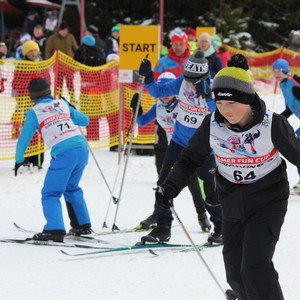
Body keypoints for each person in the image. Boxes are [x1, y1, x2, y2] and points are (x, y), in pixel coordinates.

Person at [152, 54, 300, 299]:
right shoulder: (212, 124)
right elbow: (189, 159)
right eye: (220, 103)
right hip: (232, 199)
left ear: (248, 100)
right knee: (234, 270)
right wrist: (169, 187)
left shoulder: (271, 124)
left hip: (268, 200)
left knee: (254, 265)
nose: (225, 110)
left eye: (232, 104)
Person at [138, 50, 223, 243]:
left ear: (204, 76)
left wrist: (208, 97)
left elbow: (222, 114)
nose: (191, 83)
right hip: (178, 142)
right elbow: (158, 92)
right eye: (189, 78)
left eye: (195, 80)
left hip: (203, 147)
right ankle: (162, 227)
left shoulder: (212, 86)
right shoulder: (182, 82)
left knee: (208, 189)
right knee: (163, 182)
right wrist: (149, 76)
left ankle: (220, 227)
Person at [131, 71, 212, 232]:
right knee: (164, 184)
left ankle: (203, 215)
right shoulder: (158, 106)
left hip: (190, 149)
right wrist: (136, 109)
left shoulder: (184, 103)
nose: (166, 95)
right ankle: (159, 216)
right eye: (163, 91)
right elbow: (142, 121)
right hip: (173, 149)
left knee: (194, 184)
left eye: (169, 91)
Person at [14, 76, 92, 242]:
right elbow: (85, 120)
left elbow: (24, 138)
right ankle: (82, 225)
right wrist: (70, 108)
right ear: (49, 91)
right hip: (82, 149)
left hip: (64, 153)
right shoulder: (62, 104)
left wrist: (19, 159)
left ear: (32, 96)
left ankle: (54, 229)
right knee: (71, 187)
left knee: (50, 192)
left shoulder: (34, 112)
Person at [12, 40, 49, 169]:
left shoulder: (42, 64)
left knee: (40, 131)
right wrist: (19, 98)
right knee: (28, 131)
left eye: (35, 50)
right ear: (25, 53)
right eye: (30, 51)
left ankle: (38, 159)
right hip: (26, 102)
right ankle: (26, 158)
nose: (33, 53)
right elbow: (16, 83)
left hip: (41, 102)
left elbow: (47, 79)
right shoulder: (22, 65)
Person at [272, 58, 300, 194]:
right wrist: (276, 119)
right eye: (274, 71)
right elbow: (290, 109)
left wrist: (295, 77)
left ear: (284, 71)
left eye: (278, 70)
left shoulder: (292, 83)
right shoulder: (284, 85)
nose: (275, 73)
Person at [45, 21, 78, 104]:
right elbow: (48, 52)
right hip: (58, 65)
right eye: (63, 30)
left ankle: (72, 97)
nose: (64, 32)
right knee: (58, 83)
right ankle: (58, 97)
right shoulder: (52, 38)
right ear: (59, 30)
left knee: (70, 83)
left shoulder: (70, 37)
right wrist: (49, 63)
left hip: (69, 65)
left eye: (66, 30)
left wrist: (77, 61)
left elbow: (76, 49)